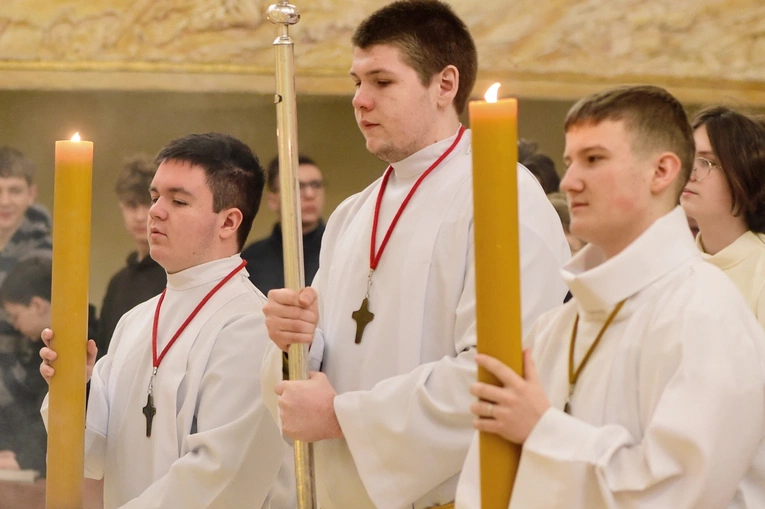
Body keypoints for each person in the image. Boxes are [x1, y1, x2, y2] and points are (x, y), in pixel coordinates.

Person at [260, 1, 570, 508]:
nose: (360, 100)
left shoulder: (501, 197)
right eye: (356, 82)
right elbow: (322, 369)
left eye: (382, 82)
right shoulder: (353, 213)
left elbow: (498, 374)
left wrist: (343, 415)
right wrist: (296, 341)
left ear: (444, 85)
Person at [455, 85, 765, 508]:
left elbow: (678, 493)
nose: (569, 181)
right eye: (569, 161)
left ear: (662, 172)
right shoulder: (557, 325)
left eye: (594, 159)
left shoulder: (706, 314)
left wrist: (543, 429)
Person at [39, 133, 287, 509]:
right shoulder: (136, 321)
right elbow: (94, 453)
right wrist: (78, 386)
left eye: (178, 200)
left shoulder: (251, 326)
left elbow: (220, 478)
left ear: (228, 221)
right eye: (156, 197)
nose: (155, 210)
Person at [680, 106, 765, 327]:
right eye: (689, 158)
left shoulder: (760, 268)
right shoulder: (676, 263)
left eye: (707, 162)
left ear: (745, 173)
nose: (690, 174)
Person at [0, 147, 52, 473]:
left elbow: (44, 334)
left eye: (14, 190)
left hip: (20, 389)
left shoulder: (44, 256)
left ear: (31, 194)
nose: (5, 201)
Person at [95, 154, 166, 359]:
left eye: (149, 203)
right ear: (121, 207)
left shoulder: (176, 275)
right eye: (132, 205)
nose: (140, 216)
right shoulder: (118, 282)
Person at [241, 154, 325, 293]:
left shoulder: (340, 249)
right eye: (297, 186)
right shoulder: (252, 261)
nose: (310, 194)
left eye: (316, 185)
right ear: (272, 201)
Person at [0, 257, 53, 476]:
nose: (15, 325)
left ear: (37, 305)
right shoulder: (37, 345)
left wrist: (25, 458)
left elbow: (61, 415)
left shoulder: (77, 345)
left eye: (15, 316)